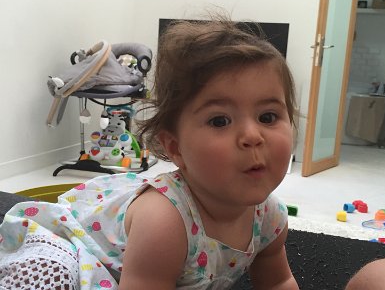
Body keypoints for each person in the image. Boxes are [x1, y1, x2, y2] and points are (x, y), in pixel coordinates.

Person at [0, 18, 299, 289]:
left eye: (268, 117)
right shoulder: (164, 221)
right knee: (46, 277)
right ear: (175, 147)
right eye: (220, 121)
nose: (252, 136)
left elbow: (278, 282)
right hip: (74, 250)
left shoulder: (270, 217)